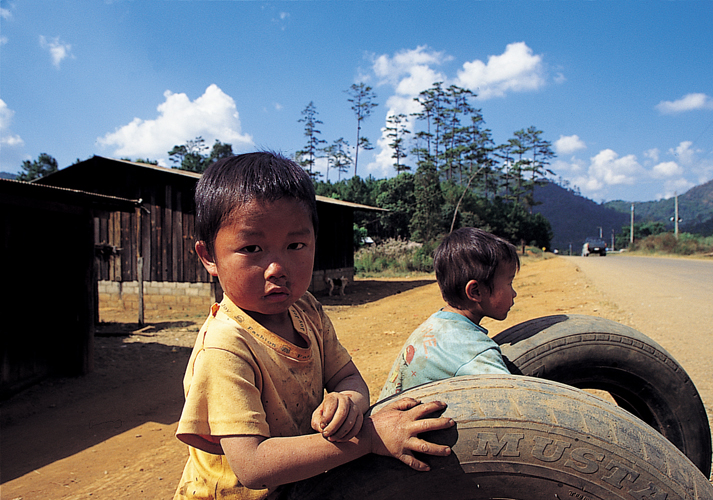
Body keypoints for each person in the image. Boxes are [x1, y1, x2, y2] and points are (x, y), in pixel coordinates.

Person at [174, 151, 454, 500]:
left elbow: (347, 377)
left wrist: (347, 401)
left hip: (300, 483)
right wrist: (367, 437)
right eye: (252, 248)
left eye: (295, 245)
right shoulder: (225, 346)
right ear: (209, 257)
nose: (277, 266)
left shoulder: (305, 308)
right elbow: (253, 466)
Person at [378, 227, 519, 401]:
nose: (514, 293)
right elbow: (514, 402)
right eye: (510, 283)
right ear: (475, 291)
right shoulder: (474, 354)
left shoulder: (435, 324)